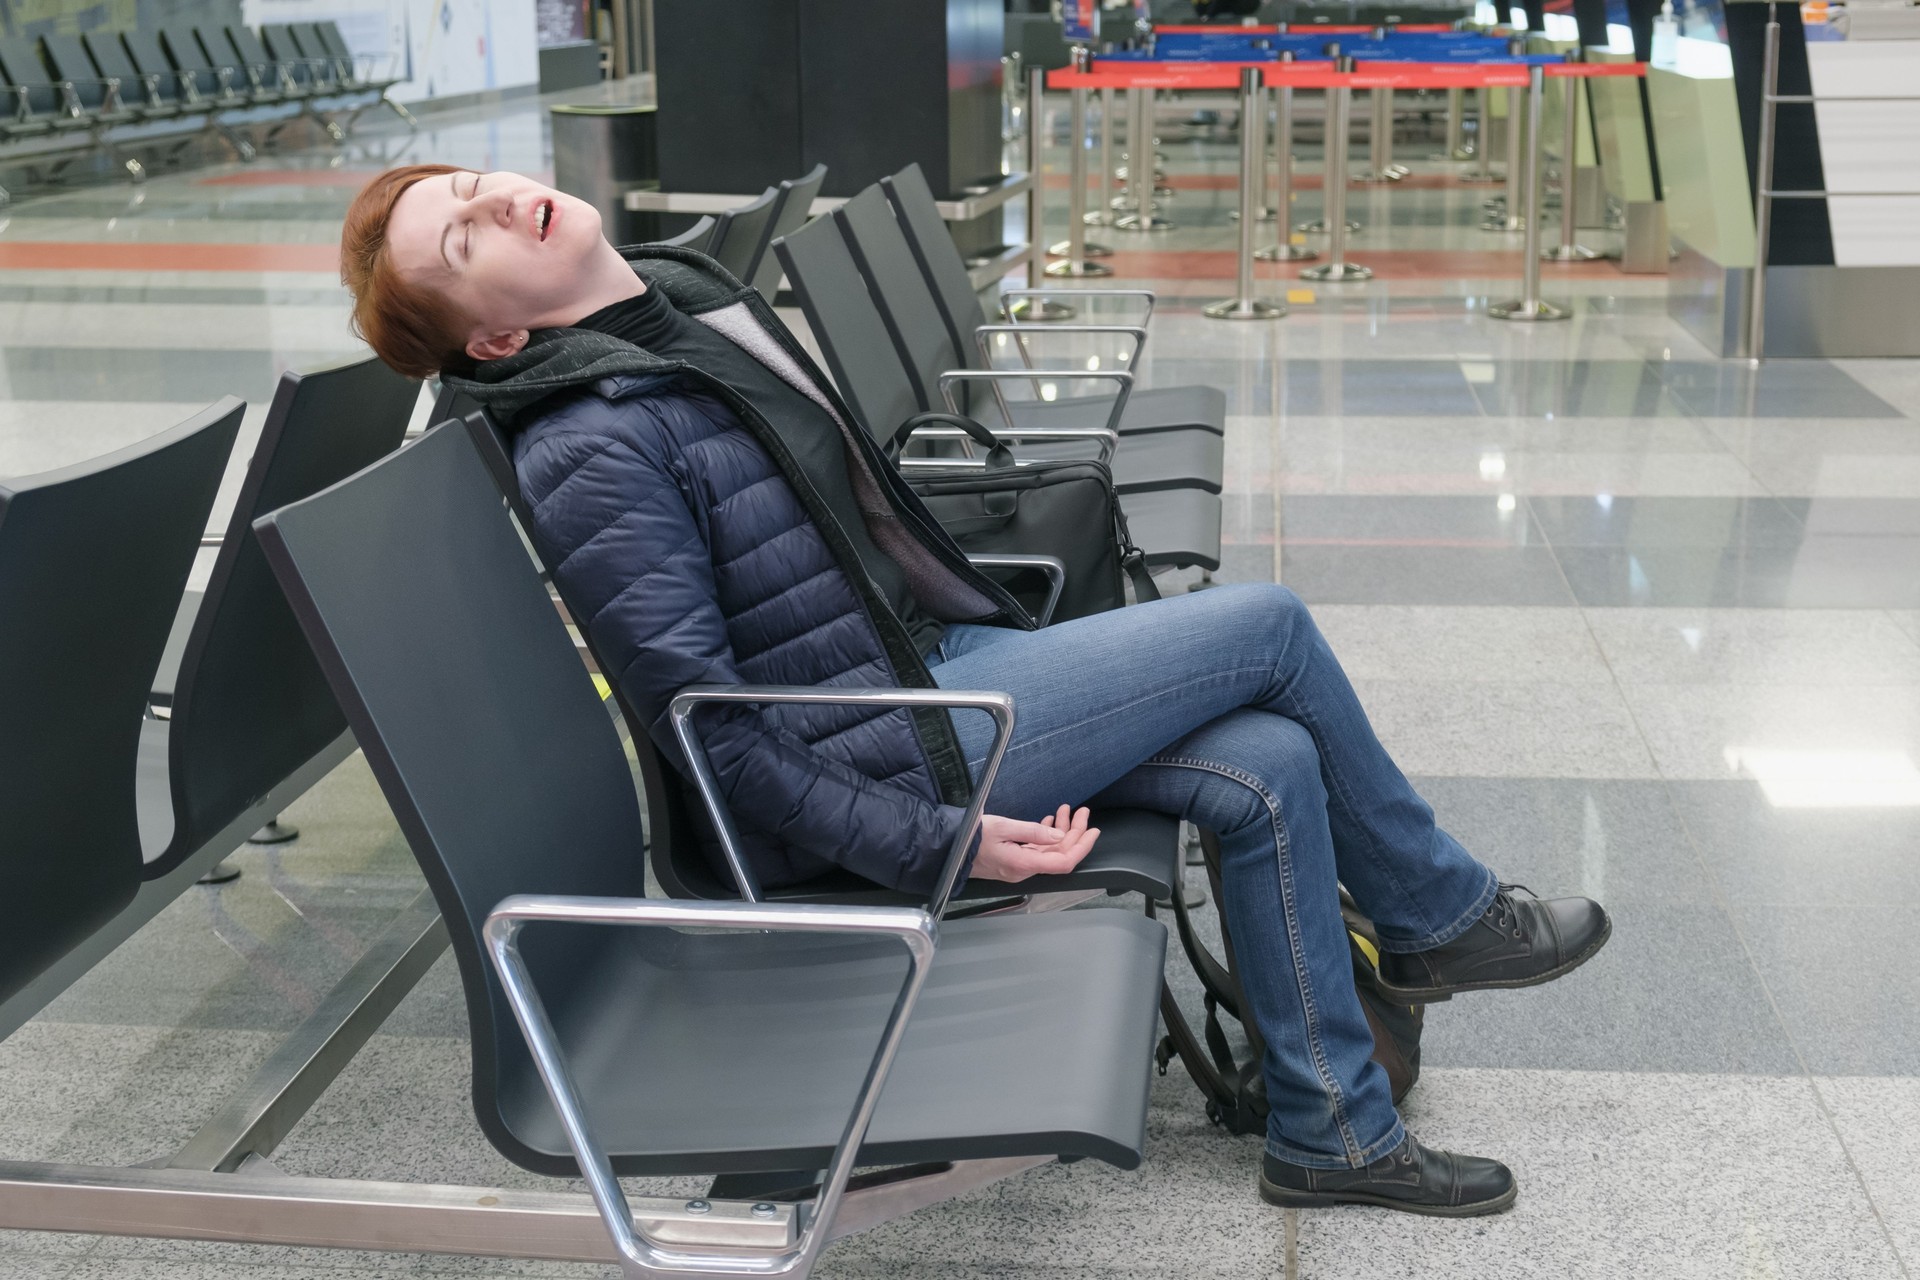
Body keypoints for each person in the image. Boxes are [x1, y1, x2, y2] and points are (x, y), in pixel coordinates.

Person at [341, 164, 1612, 1216]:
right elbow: (707, 734)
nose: (503, 202)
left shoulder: (676, 320)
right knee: (1271, 626)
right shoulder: (591, 440)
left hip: (925, 683)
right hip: (902, 753)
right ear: (499, 338)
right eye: (466, 236)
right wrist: (941, 843)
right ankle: (1441, 915)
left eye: (474, 186)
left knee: (1267, 761)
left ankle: (1331, 1131)